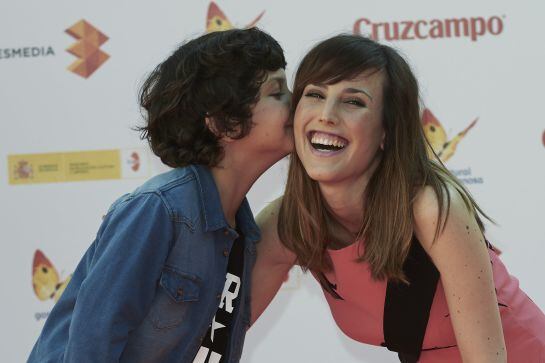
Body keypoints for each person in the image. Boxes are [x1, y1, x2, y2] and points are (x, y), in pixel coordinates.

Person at [251, 34, 545, 362]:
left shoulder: (431, 209)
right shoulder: (286, 223)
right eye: (315, 95)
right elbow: (211, 336)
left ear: (386, 131)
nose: (327, 114)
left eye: (354, 102)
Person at [28, 27, 293, 363]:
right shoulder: (158, 209)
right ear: (224, 124)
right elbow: (92, 345)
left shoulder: (243, 231)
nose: (298, 102)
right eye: (277, 92)